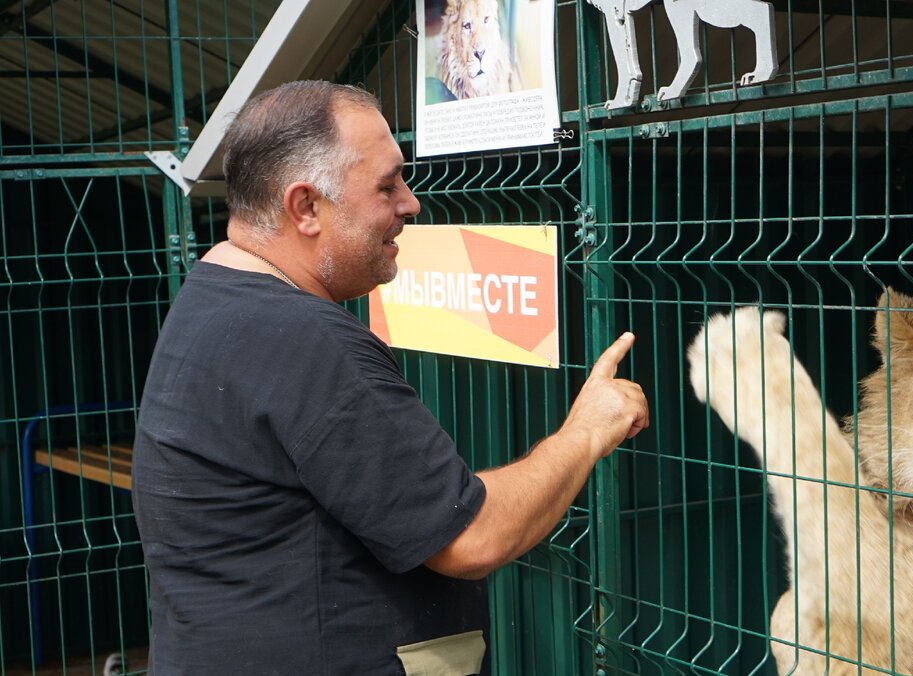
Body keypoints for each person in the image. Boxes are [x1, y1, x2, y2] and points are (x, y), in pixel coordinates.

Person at [131, 80, 649, 675]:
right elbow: (471, 538)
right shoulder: (305, 340)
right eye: (386, 185)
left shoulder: (212, 297)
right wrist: (586, 431)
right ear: (305, 207)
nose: (411, 203)